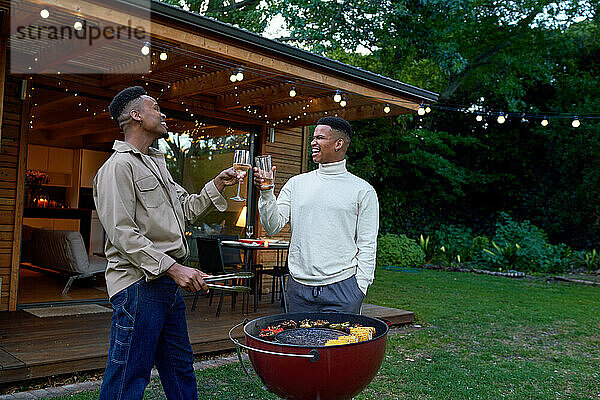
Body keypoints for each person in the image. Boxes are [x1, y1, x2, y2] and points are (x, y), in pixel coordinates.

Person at [94, 86, 242, 400]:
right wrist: (174, 268)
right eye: (156, 108)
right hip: (138, 286)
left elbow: (186, 208)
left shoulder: (156, 164)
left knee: (179, 367)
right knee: (128, 375)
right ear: (136, 116)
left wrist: (218, 183)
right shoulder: (117, 168)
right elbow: (122, 234)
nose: (162, 114)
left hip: (165, 286)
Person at [254, 116, 379, 314]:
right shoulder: (296, 184)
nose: (313, 142)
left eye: (320, 138)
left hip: (343, 288)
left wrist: (360, 287)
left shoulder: (363, 190)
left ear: (338, 143)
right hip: (299, 289)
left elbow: (367, 244)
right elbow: (272, 226)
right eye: (313, 137)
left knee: (338, 345)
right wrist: (267, 191)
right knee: (299, 344)